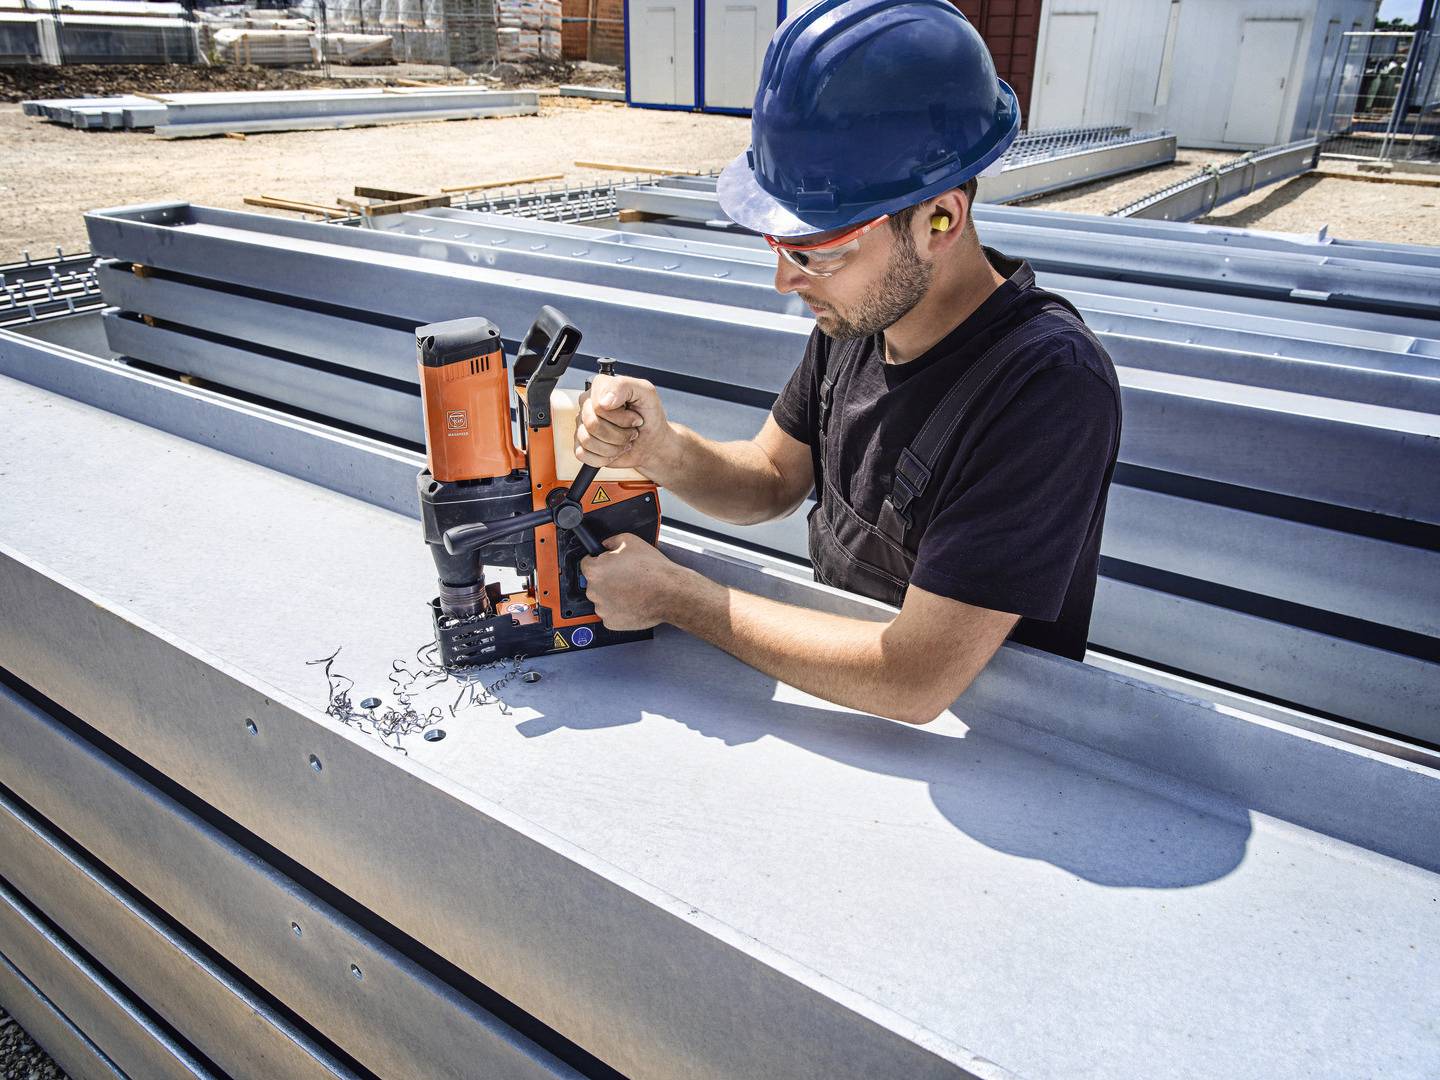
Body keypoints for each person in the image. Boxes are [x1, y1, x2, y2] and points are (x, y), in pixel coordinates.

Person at [578, 0, 1121, 724]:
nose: (786, 280)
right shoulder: (860, 317)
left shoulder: (1047, 388)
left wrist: (677, 598)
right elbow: (772, 480)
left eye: (816, 251)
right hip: (838, 708)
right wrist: (662, 451)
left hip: (992, 751)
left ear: (941, 221)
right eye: (778, 245)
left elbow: (915, 680)